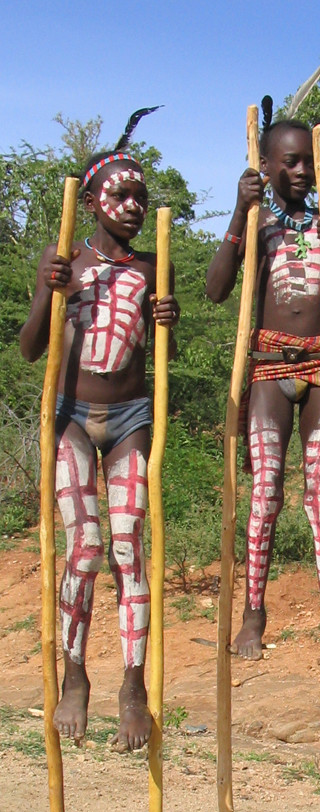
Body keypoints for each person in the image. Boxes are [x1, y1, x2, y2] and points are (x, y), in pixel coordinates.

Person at [20, 109, 180, 750]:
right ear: (89, 202)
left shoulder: (151, 267)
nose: (133, 204)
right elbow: (33, 349)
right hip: (72, 422)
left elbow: (161, 358)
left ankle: (134, 688)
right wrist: (50, 294)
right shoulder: (62, 260)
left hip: (132, 420)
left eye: (141, 195)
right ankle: (75, 675)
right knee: (83, 548)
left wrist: (169, 318)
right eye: (119, 193)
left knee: (128, 548)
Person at [206, 98, 320, 666]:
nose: (302, 172)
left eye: (309, 163)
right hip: (271, 367)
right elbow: (216, 291)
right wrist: (236, 215)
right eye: (291, 163)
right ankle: (254, 613)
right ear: (268, 167)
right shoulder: (257, 223)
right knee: (266, 494)